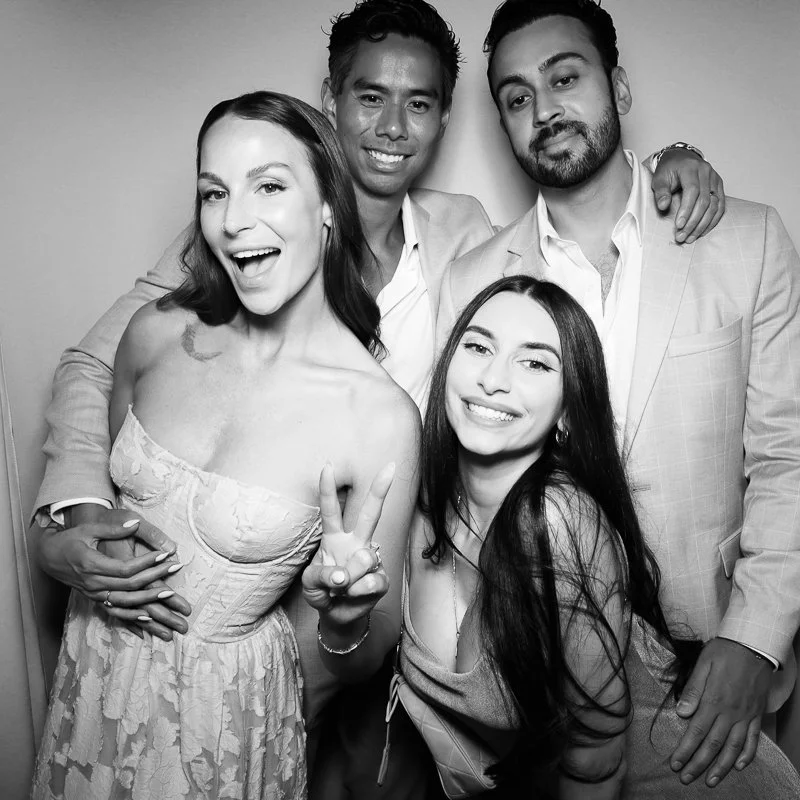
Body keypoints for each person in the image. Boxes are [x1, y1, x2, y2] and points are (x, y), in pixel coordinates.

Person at [32, 0, 726, 781]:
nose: (393, 125)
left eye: (420, 103)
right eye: (370, 97)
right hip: (213, 622)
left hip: (390, 619)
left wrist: (669, 161)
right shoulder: (236, 234)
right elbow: (97, 364)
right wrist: (71, 519)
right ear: (331, 103)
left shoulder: (470, 235)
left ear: (441, 121)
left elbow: (558, 278)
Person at [438, 0, 800, 790]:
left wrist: (756, 638)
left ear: (619, 88)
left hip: (717, 661)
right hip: (548, 676)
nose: (544, 109)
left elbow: (790, 456)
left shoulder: (747, 239)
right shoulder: (475, 280)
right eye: (516, 96)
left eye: (565, 77)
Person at [30, 90, 419, 799]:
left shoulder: (378, 415)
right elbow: (106, 512)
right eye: (215, 192)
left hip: (229, 723)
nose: (235, 220)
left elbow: (366, 653)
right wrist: (57, 544)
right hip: (92, 676)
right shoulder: (154, 332)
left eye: (269, 185)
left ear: (329, 203)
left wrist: (345, 612)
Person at [397, 274, 800, 798]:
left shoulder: (557, 521)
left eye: (535, 362)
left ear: (567, 409)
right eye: (478, 346)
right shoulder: (426, 502)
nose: (493, 379)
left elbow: (596, 766)